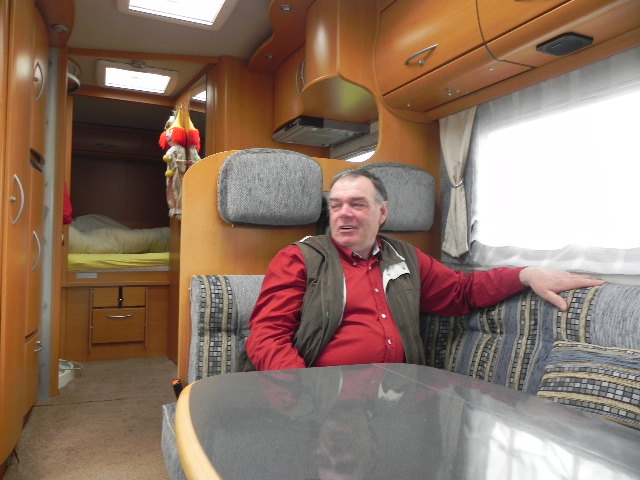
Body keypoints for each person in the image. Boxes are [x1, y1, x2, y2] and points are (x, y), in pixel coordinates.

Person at [244, 168, 604, 371]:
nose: (344, 213)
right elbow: (266, 336)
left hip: (398, 396)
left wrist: (525, 275)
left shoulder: (406, 258)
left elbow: (462, 292)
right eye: (336, 206)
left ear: (382, 213)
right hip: (321, 398)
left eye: (357, 204)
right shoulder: (299, 259)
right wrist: (304, 394)